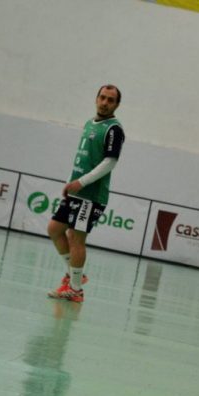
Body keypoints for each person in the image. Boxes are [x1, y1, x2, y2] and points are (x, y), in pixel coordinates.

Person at [47, 85, 125, 303]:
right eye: (102, 97)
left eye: (110, 100)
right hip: (77, 192)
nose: (105, 102)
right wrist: (71, 182)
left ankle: (76, 290)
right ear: (96, 98)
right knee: (54, 229)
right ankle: (75, 277)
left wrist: (81, 182)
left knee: (76, 239)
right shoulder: (90, 123)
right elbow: (84, 158)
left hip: (91, 196)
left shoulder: (114, 129)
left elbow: (110, 162)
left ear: (117, 105)